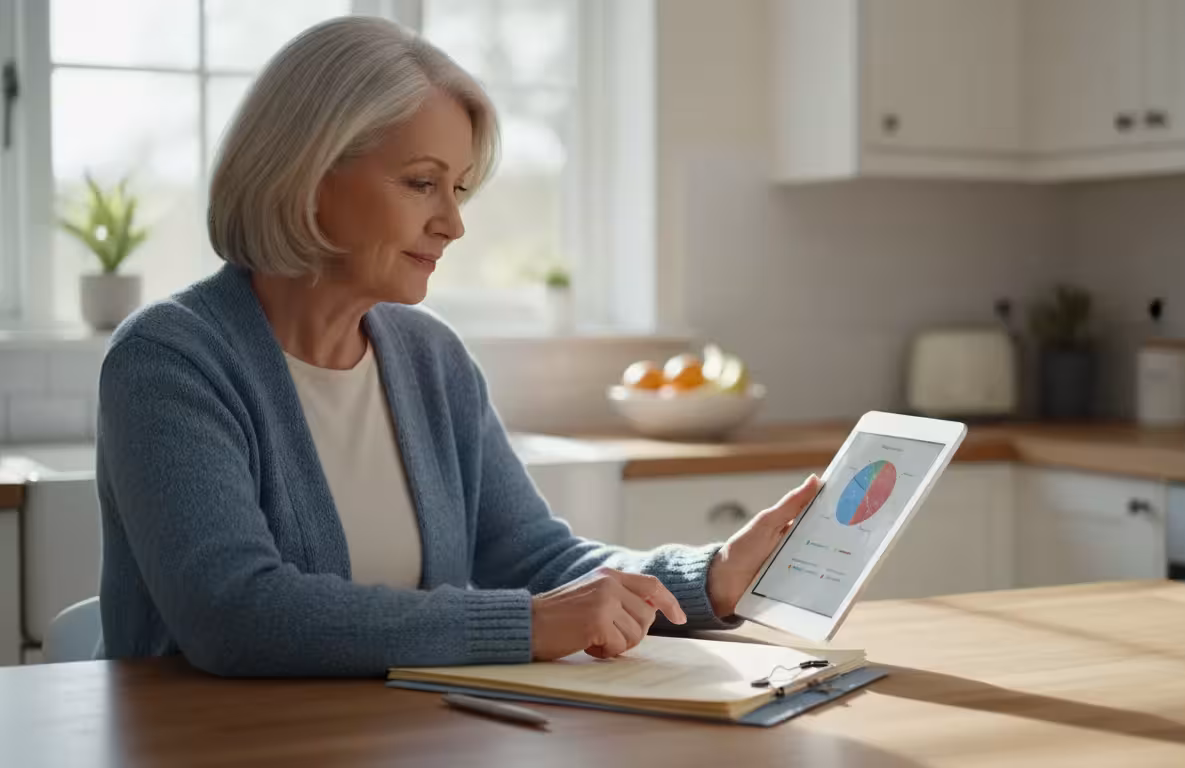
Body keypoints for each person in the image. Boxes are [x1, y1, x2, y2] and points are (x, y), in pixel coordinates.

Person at [95, 16, 820, 677]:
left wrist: (710, 578)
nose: (453, 224)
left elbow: (538, 559)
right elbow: (237, 616)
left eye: (460, 190)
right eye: (422, 184)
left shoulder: (428, 358)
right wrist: (526, 624)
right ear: (309, 176)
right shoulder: (168, 360)